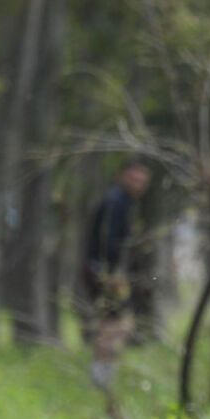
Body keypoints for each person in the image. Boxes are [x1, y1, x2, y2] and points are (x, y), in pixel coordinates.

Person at [83, 161, 151, 395]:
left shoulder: (126, 203)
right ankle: (101, 375)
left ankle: (104, 373)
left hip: (110, 273)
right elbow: (107, 242)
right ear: (122, 176)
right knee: (113, 323)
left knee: (115, 322)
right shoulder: (115, 201)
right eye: (134, 179)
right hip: (106, 274)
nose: (138, 185)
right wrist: (111, 274)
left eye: (142, 181)